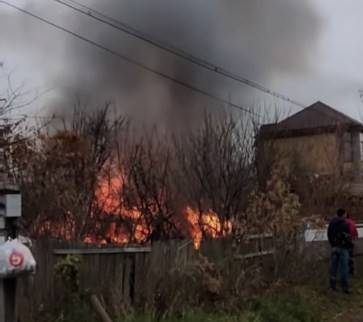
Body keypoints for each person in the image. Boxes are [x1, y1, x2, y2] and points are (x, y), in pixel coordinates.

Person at [327, 208, 352, 293]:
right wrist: (348, 245)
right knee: (344, 268)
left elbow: (329, 234)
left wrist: (332, 244)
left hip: (334, 247)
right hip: (343, 248)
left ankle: (332, 285)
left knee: (333, 267)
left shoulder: (332, 223)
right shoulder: (345, 224)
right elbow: (347, 237)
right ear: (343, 214)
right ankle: (345, 287)